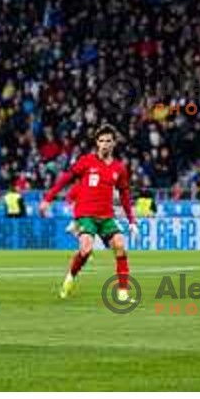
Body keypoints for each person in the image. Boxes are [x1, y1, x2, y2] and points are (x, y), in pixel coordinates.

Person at [39, 124, 138, 301]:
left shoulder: (119, 168)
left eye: (108, 141)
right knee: (86, 248)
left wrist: (131, 220)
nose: (105, 144)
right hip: (86, 214)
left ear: (114, 143)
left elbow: (124, 194)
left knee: (120, 246)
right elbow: (65, 179)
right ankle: (70, 276)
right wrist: (48, 198)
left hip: (107, 216)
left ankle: (123, 292)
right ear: (96, 143)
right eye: (101, 141)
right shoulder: (86, 161)